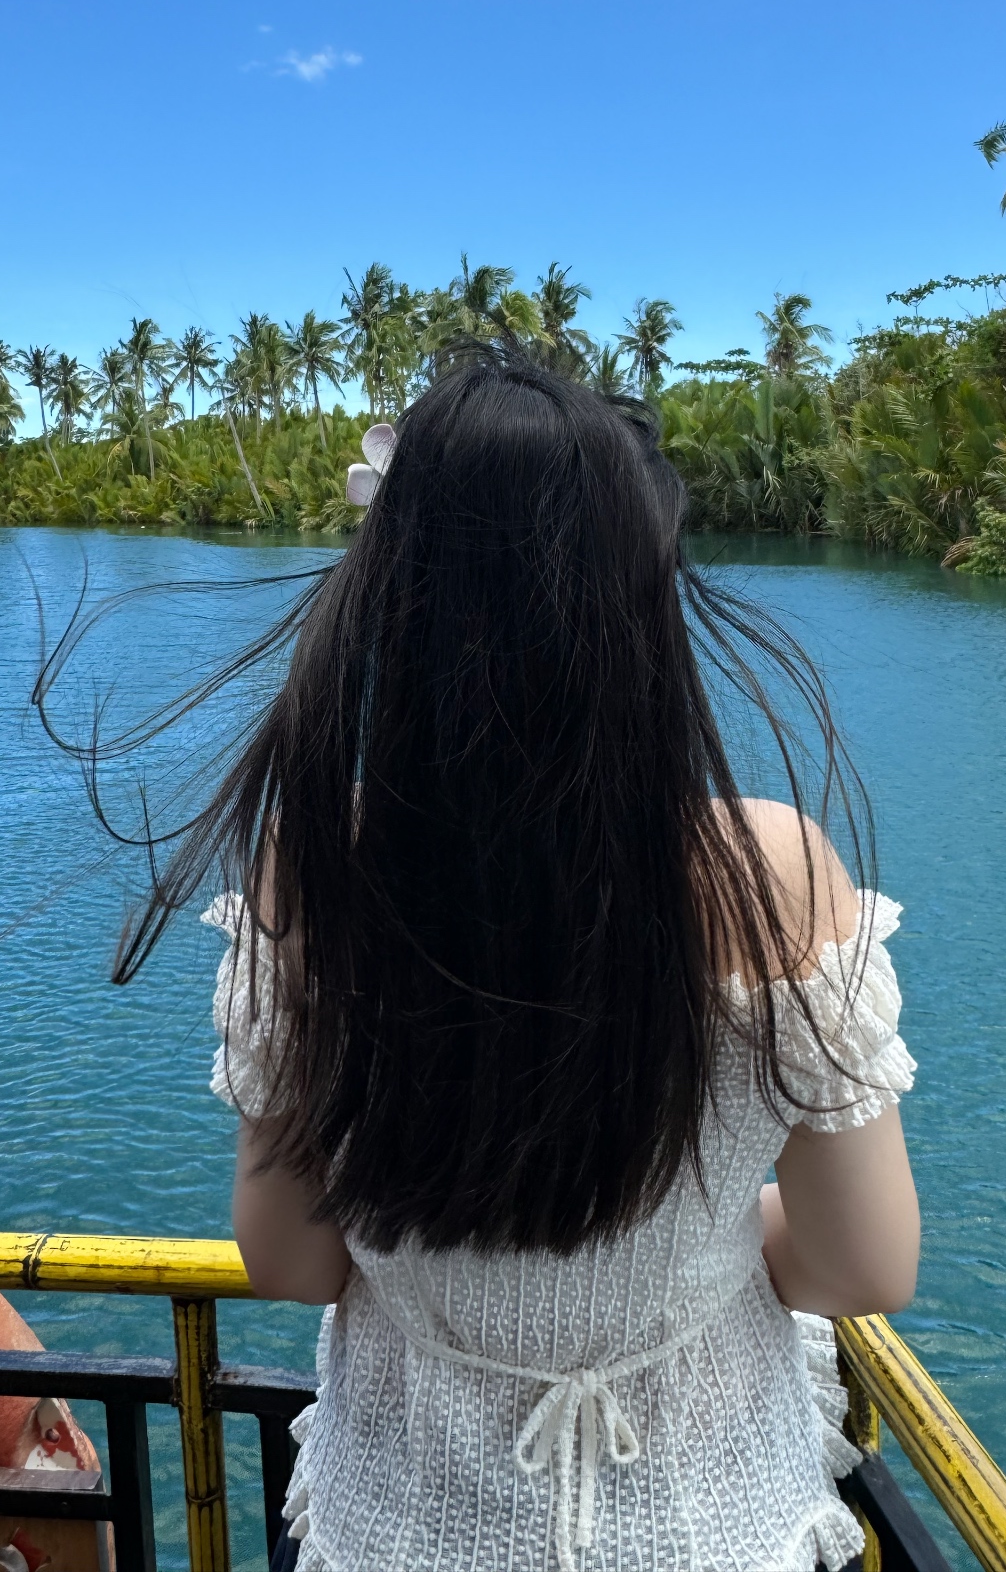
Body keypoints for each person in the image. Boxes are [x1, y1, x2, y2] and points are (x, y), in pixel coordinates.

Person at [153, 352, 918, 1571]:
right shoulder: (773, 873)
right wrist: (715, 1228)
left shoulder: (316, 863)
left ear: (390, 595)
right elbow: (862, 1263)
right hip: (711, 1527)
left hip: (400, 1530)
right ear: (644, 601)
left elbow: (292, 1259)